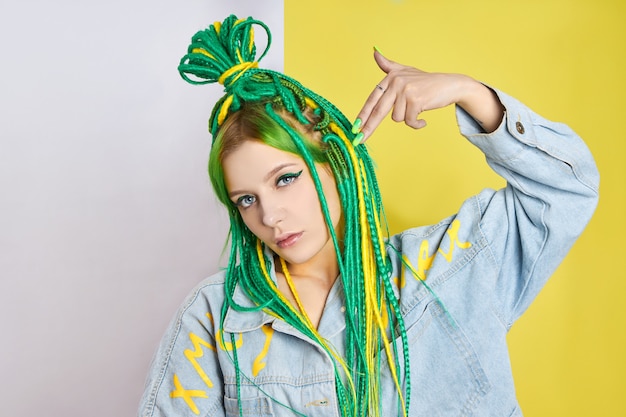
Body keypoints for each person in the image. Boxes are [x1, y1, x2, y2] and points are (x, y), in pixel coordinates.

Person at [138, 15, 599, 417]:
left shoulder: (451, 266)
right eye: (245, 200)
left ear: (336, 163)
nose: (271, 216)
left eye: (285, 179)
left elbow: (567, 190)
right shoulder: (216, 316)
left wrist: (470, 92)